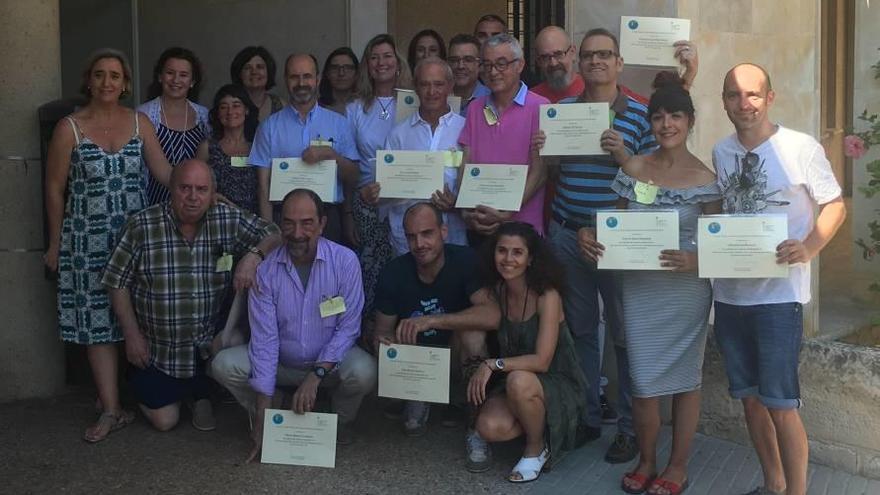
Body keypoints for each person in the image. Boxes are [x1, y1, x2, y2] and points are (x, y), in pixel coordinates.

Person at [583, 73, 722, 495]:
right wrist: (588, 235)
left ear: (690, 121)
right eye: (658, 117)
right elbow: (614, 221)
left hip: (686, 291)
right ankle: (647, 460)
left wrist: (695, 258)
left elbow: (719, 240)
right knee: (642, 381)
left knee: (686, 381)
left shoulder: (705, 178)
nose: (666, 125)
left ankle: (677, 466)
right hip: (641, 289)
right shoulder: (636, 167)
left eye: (675, 116)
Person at [712, 63, 846, 495]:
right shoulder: (720, 151)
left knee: (782, 404)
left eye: (753, 94)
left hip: (778, 298)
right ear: (724, 101)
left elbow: (835, 205)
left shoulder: (800, 147)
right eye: (734, 95)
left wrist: (808, 248)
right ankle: (773, 485)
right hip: (730, 296)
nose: (744, 103)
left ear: (770, 98)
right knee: (750, 400)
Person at [43, 48, 174, 443]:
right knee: (99, 326)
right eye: (99, 74)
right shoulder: (70, 127)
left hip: (135, 240)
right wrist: (54, 244)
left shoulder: (140, 123)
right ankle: (112, 409)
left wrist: (201, 191)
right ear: (89, 80)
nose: (106, 82)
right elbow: (54, 188)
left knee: (137, 320)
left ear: (125, 83)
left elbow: (165, 173)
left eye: (114, 76)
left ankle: (130, 396)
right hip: (86, 239)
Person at [397, 222, 588, 482]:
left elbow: (542, 361)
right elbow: (474, 320)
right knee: (488, 427)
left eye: (517, 252)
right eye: (502, 251)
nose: (508, 259)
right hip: (514, 379)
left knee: (518, 380)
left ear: (531, 258)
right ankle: (535, 418)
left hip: (554, 379)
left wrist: (490, 365)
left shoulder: (547, 295)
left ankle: (537, 446)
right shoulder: (498, 290)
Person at [543, 28, 656, 465]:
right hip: (568, 235)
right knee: (582, 332)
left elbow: (652, 190)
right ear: (577, 61)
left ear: (619, 63)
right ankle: (589, 417)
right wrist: (546, 153)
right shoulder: (562, 112)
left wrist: (625, 157)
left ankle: (629, 428)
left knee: (625, 338)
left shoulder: (641, 116)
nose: (596, 62)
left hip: (619, 240)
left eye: (605, 54)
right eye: (589, 55)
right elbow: (555, 174)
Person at [102, 160, 281, 433]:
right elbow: (116, 281)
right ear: (171, 189)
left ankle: (201, 392)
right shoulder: (142, 226)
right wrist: (132, 336)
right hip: (160, 351)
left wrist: (253, 257)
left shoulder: (226, 218)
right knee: (165, 421)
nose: (193, 197)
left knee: (233, 345)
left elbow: (275, 233)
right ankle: (186, 394)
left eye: (201, 189)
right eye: (185, 188)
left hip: (207, 348)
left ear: (213, 194)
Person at [212, 188, 376, 455]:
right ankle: (272, 412)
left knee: (365, 371)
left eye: (307, 223)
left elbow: (348, 328)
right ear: (280, 225)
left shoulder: (345, 261)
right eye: (289, 223)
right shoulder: (265, 271)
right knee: (224, 365)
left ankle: (336, 421)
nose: (297, 232)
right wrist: (262, 415)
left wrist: (316, 375)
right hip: (281, 363)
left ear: (322, 224)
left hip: (329, 365)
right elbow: (265, 341)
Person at [373, 203, 488, 468]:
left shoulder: (466, 260)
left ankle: (476, 427)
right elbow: (381, 333)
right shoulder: (394, 272)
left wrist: (432, 320)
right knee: (390, 337)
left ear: (444, 232)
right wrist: (393, 358)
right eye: (411, 236)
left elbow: (492, 314)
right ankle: (418, 395)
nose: (419, 243)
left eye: (427, 233)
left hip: (457, 356)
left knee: (473, 334)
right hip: (418, 360)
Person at [249, 53, 359, 245]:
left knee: (328, 274)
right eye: (294, 77)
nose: (301, 83)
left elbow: (354, 177)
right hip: (284, 219)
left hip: (328, 218)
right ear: (286, 80)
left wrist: (330, 155)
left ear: (317, 79)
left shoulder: (339, 124)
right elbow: (263, 186)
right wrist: (269, 232)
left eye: (307, 76)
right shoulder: (268, 127)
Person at [346, 34, 412, 326]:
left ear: (398, 63)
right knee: (370, 270)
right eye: (374, 57)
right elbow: (348, 163)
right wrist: (348, 211)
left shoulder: (415, 102)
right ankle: (369, 334)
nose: (381, 62)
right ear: (367, 66)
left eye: (387, 56)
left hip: (407, 200)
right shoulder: (354, 108)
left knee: (406, 266)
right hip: (366, 203)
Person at [458, 33, 548, 245]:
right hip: (481, 226)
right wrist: (466, 210)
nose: (493, 72)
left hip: (522, 229)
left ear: (520, 65)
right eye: (487, 64)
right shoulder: (475, 108)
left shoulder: (542, 107)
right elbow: (466, 163)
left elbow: (541, 172)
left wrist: (507, 213)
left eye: (501, 64)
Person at [382, 58, 468, 254]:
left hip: (452, 238)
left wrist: (457, 204)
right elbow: (387, 192)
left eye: (438, 84)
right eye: (424, 84)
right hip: (408, 243)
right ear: (415, 87)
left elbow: (476, 184)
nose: (431, 92)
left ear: (450, 86)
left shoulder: (465, 130)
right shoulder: (398, 135)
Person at [139, 47, 210, 206]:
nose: (176, 80)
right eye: (170, 73)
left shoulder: (205, 117)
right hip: (153, 203)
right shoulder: (143, 114)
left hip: (193, 204)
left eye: (183, 75)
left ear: (192, 82)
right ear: (160, 77)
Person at [196, 84, 260, 215]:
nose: (230, 112)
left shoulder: (259, 146)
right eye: (224, 107)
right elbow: (195, 185)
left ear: (246, 110)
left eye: (236, 105)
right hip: (218, 219)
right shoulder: (207, 148)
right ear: (218, 113)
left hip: (253, 222)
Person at [230, 46, 285, 122]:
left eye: (259, 67)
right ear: (239, 74)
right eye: (248, 68)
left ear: (268, 72)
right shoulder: (230, 106)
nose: (254, 72)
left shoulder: (281, 106)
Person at [447, 34, 491, 117]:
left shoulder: (491, 100)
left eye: (468, 60)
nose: (461, 66)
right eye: (454, 60)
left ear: (479, 65)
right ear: (448, 64)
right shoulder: (438, 97)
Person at [318, 47, 359, 115]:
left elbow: (383, 116)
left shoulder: (366, 105)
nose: (341, 73)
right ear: (327, 73)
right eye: (335, 68)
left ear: (357, 73)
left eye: (347, 68)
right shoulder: (316, 108)